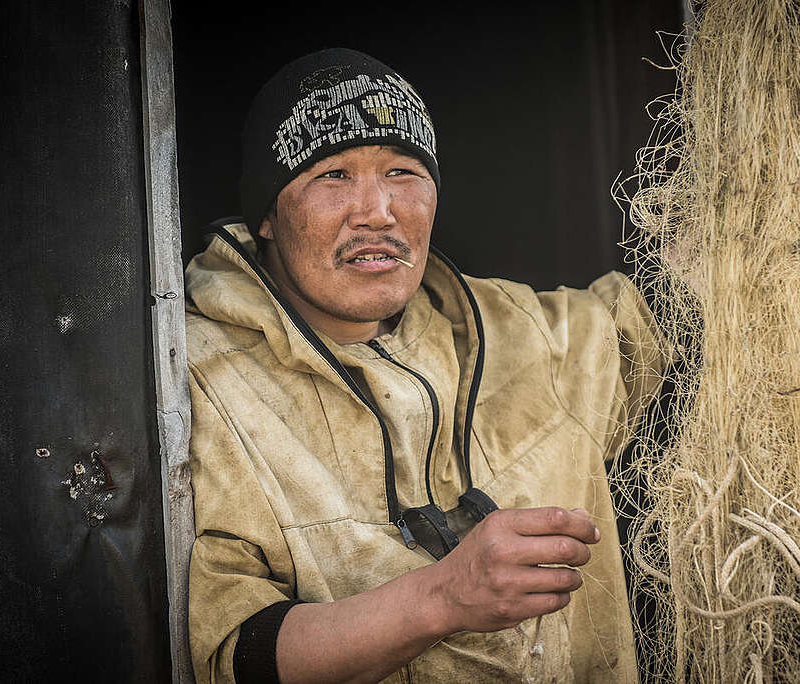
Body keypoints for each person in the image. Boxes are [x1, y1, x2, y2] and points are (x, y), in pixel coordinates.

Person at [185, 48, 669, 683]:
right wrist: (443, 597)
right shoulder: (199, 381)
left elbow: (661, 318)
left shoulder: (511, 326)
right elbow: (231, 655)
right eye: (332, 175)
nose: (377, 211)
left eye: (403, 172)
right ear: (269, 216)